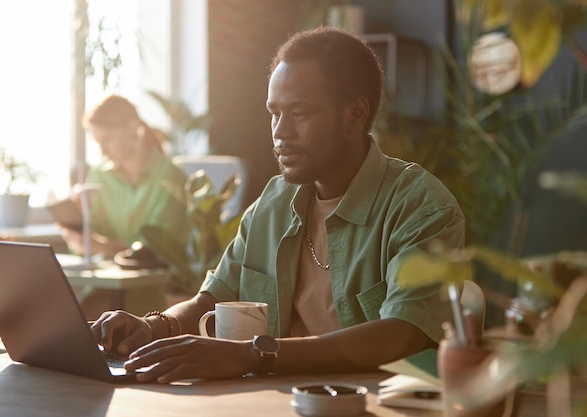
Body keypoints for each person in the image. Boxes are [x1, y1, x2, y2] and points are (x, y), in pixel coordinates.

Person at [91, 26, 465, 384]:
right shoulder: (273, 201)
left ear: (355, 114)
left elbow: (402, 333)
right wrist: (154, 326)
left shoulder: (420, 207)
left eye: (299, 114)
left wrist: (255, 355)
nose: (280, 132)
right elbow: (215, 297)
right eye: (274, 113)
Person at [58, 94, 189, 259]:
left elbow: (156, 250)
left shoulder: (171, 177)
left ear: (132, 128)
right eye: (98, 143)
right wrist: (79, 231)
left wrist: (99, 245)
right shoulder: (99, 176)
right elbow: (87, 247)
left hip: (156, 281)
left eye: (107, 141)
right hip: (106, 280)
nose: (103, 152)